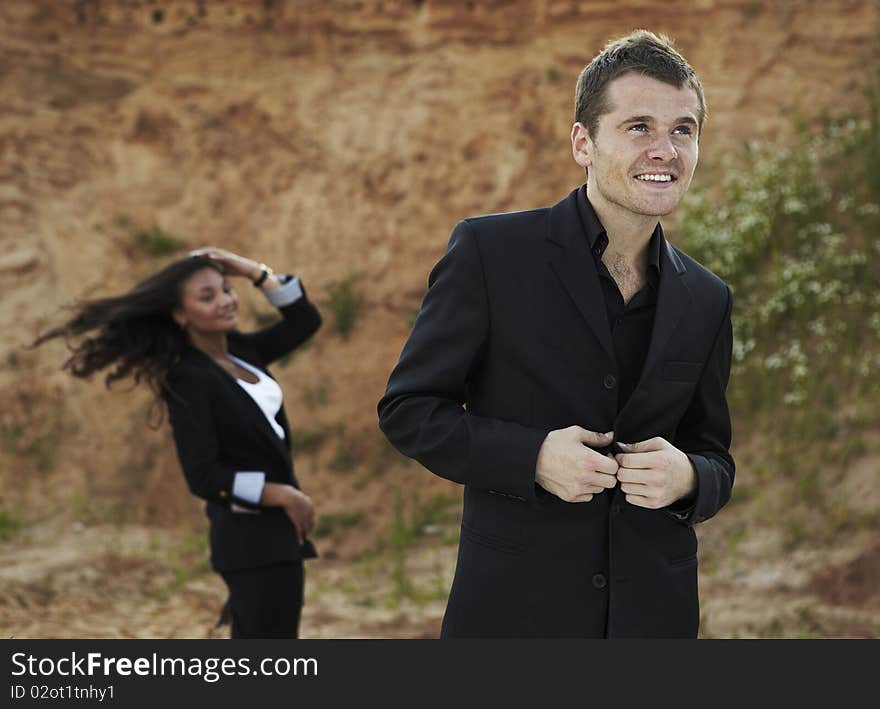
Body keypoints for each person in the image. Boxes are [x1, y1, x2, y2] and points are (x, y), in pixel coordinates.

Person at [377, 30, 734, 638]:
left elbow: (714, 455)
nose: (665, 150)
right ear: (583, 142)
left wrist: (690, 479)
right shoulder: (491, 252)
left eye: (683, 130)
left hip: (654, 621)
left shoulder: (708, 297)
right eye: (639, 127)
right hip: (514, 617)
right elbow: (409, 410)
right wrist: (533, 458)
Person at [34, 247, 322, 638]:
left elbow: (305, 320)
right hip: (250, 541)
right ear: (180, 314)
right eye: (207, 297)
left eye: (225, 290)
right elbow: (204, 475)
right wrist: (282, 495)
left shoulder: (241, 351)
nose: (225, 301)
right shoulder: (189, 378)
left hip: (277, 537)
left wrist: (252, 272)